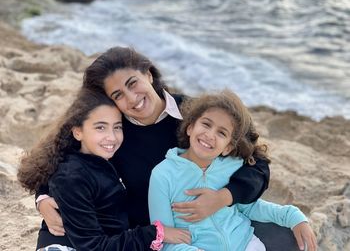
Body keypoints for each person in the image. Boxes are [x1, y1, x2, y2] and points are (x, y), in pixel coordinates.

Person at [33, 46, 293, 249]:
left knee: (291, 238)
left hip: (220, 218)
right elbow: (65, 155)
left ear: (148, 73)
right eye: (118, 95)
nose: (132, 98)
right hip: (150, 232)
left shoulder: (199, 114)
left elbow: (257, 162)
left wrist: (224, 197)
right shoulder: (114, 131)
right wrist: (43, 197)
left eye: (132, 83)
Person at [17, 89, 191, 250]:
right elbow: (93, 246)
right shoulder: (72, 175)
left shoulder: (101, 158)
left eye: (117, 127)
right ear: (77, 132)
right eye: (100, 127)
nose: (111, 137)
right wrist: (156, 233)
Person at [148, 90, 317, 251]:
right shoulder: (163, 175)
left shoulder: (231, 166)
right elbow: (163, 237)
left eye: (221, 133)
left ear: (228, 147)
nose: (210, 135)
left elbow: (249, 207)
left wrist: (292, 216)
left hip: (248, 244)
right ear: (190, 127)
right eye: (206, 124)